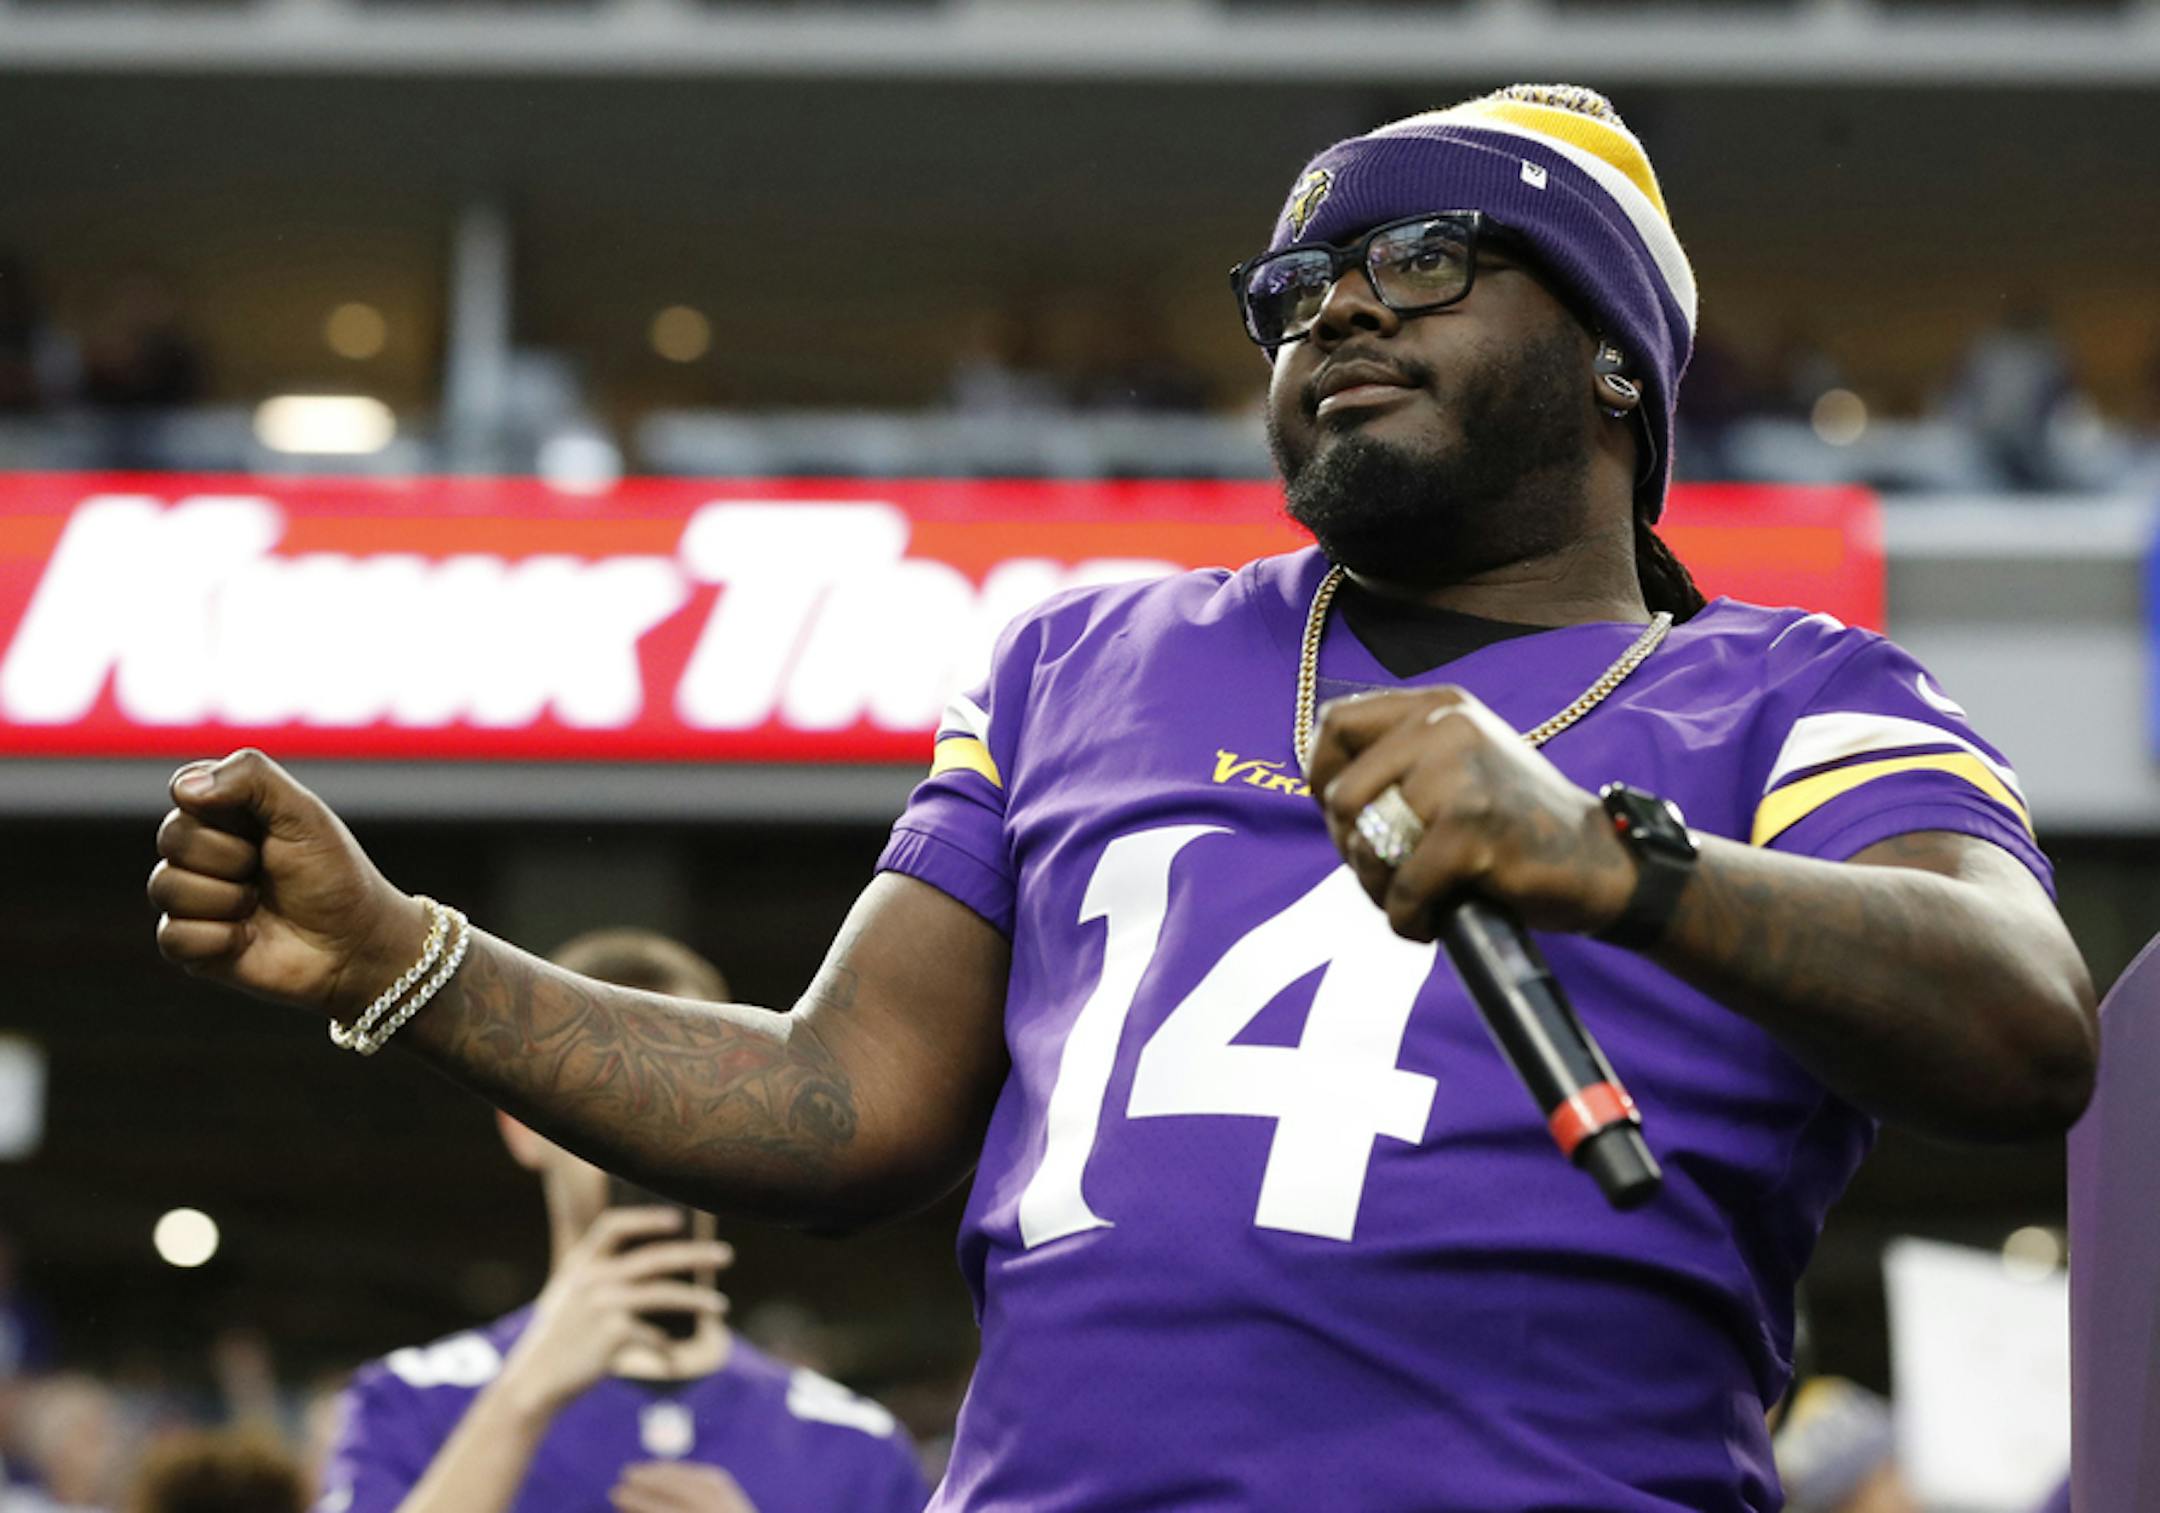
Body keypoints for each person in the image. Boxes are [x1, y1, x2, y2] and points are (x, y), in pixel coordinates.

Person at [148, 84, 2097, 1511]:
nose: (1340, 309)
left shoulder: (1796, 694)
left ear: (1612, 363)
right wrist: (409, 959)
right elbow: (841, 1109)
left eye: (1421, 259)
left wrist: (1622, 866)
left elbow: (2025, 1026)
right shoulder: (1081, 658)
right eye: (1299, 286)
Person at [311, 930, 930, 1513]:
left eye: (692, 1090)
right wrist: (519, 1404)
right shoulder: (409, 1403)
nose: (649, 1127)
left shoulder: (857, 1450)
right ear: (524, 1124)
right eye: (600, 1090)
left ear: (748, 1126)